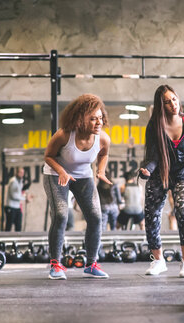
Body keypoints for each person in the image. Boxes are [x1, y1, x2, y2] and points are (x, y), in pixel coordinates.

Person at [43, 93, 112, 280]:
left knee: (96, 217)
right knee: (60, 214)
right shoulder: (64, 134)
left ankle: (91, 264)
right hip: (56, 175)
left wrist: (101, 171)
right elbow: (48, 156)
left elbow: (104, 154)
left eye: (100, 118)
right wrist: (62, 172)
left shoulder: (102, 138)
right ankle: (56, 265)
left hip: (84, 177)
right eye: (93, 119)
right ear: (81, 119)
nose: (98, 122)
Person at [139, 84, 184, 277]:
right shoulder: (155, 125)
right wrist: (147, 171)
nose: (173, 104)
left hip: (181, 173)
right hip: (159, 172)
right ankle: (159, 261)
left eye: (174, 99)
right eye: (167, 102)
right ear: (161, 106)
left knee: (183, 210)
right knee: (151, 215)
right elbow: (153, 157)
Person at [4, 167, 31, 231]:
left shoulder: (20, 181)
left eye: (23, 173)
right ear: (17, 173)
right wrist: (25, 198)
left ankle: (18, 241)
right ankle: (6, 240)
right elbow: (14, 196)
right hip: (11, 207)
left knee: (18, 227)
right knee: (8, 226)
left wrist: (26, 196)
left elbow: (19, 193)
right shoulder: (13, 181)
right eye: (21, 172)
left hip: (17, 207)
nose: (22, 174)